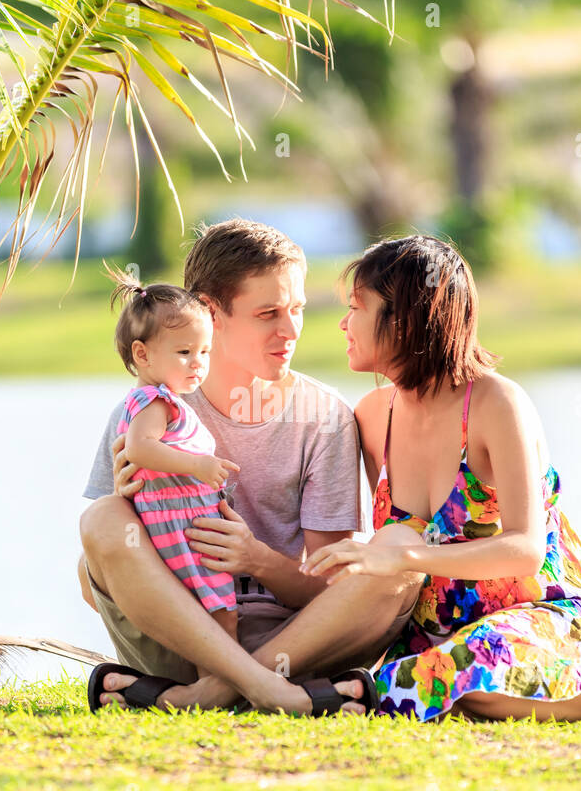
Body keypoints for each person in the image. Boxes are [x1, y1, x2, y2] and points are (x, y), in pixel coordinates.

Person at [299, 235, 581, 726]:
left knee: (476, 675)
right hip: (434, 637)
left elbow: (524, 549)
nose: (345, 323)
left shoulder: (496, 404)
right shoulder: (372, 417)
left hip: (545, 617)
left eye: (357, 307)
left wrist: (404, 555)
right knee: (457, 676)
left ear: (408, 316)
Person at [79, 219, 422, 714]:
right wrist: (137, 513)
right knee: (101, 520)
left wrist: (255, 559)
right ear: (211, 314)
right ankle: (268, 691)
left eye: (297, 309)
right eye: (268, 314)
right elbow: (94, 582)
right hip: (181, 641)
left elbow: (325, 588)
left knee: (399, 560)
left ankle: (213, 694)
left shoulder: (323, 417)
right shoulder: (147, 411)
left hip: (292, 641)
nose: (290, 331)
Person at [106, 273, 239, 645]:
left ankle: (216, 680)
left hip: (182, 525)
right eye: (184, 353)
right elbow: (139, 448)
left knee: (208, 611)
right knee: (219, 609)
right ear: (142, 354)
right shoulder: (155, 401)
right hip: (180, 530)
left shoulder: (159, 400)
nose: (197, 363)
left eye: (204, 352)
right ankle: (223, 682)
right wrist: (198, 465)